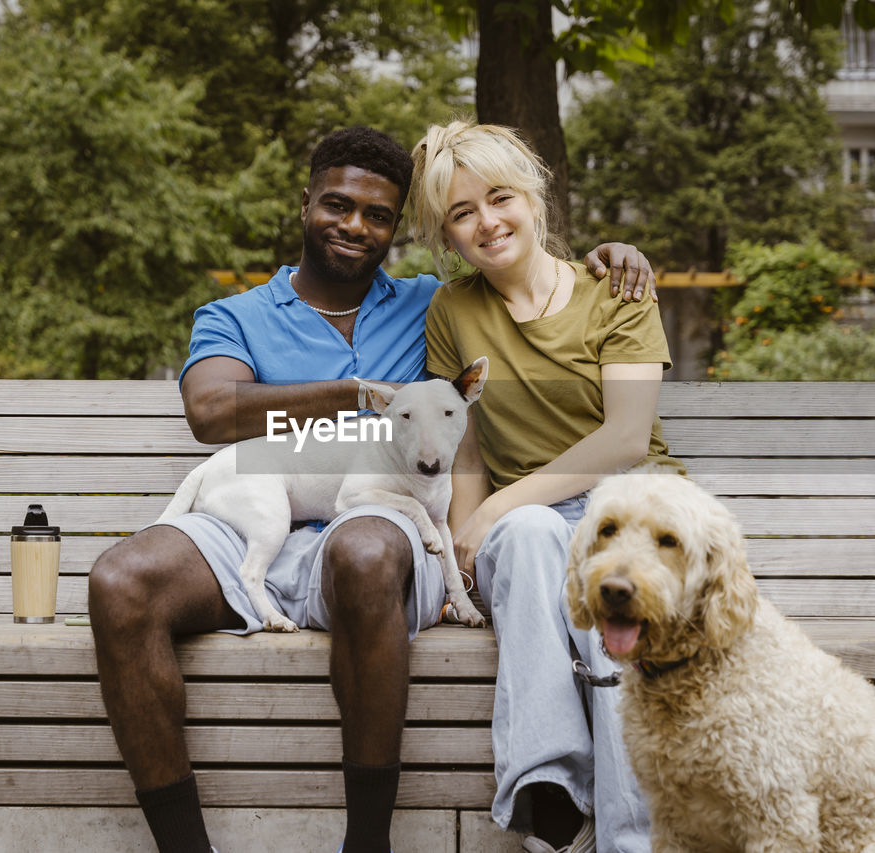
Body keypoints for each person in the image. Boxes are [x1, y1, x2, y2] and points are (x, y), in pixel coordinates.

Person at [86, 125, 658, 853]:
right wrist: (354, 395)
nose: (355, 224)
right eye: (337, 204)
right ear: (305, 205)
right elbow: (210, 412)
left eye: (378, 215)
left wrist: (613, 255)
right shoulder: (236, 316)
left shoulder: (435, 303)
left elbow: (519, 275)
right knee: (120, 579)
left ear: (398, 230)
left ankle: (367, 844)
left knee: (362, 550)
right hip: (257, 507)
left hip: (377, 527)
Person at [409, 120, 687, 853]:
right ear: (448, 233)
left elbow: (627, 438)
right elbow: (463, 442)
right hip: (528, 535)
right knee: (529, 536)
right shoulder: (452, 310)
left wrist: (502, 502)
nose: (486, 222)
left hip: (631, 509)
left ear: (533, 196)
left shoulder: (616, 290)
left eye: (498, 197)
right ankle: (551, 799)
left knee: (606, 573)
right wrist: (461, 554)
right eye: (462, 213)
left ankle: (630, 838)